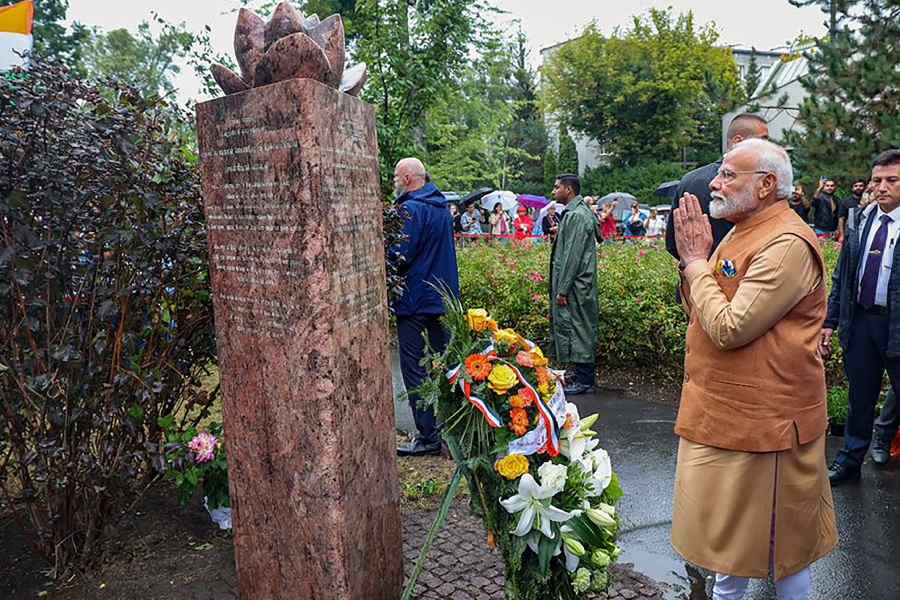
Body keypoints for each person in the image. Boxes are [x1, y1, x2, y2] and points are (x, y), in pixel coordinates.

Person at [671, 139, 837, 599]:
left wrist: (695, 263)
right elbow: (702, 311)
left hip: (770, 427)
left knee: (784, 552)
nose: (716, 184)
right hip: (731, 417)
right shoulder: (743, 229)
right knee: (731, 550)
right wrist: (696, 268)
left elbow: (729, 327)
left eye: (727, 175)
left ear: (766, 185)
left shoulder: (786, 243)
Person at [822, 149, 900, 483]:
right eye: (877, 180)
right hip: (863, 323)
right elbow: (843, 275)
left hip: (896, 325)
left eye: (892, 180)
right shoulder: (861, 219)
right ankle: (850, 460)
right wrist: (830, 320)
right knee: (860, 397)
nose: (882, 187)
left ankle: (883, 443)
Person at [390, 158, 460, 456]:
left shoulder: (410, 209)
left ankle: (428, 436)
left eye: (395, 176)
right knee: (448, 366)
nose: (394, 180)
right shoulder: (440, 206)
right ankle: (453, 428)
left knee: (414, 367)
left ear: (407, 178)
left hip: (415, 299)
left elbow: (400, 255)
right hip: (442, 297)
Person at [666, 113, 770, 262]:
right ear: (737, 142)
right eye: (763, 141)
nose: (768, 149)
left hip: (696, 275)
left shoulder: (689, 180)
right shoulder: (761, 182)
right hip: (743, 276)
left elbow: (672, 245)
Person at [549, 174, 598, 396]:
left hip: (576, 285)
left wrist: (563, 289)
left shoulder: (577, 215)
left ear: (568, 190)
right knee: (576, 326)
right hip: (577, 283)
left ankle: (585, 380)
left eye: (557, 187)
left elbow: (572, 256)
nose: (553, 191)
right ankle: (579, 374)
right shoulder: (576, 214)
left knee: (579, 328)